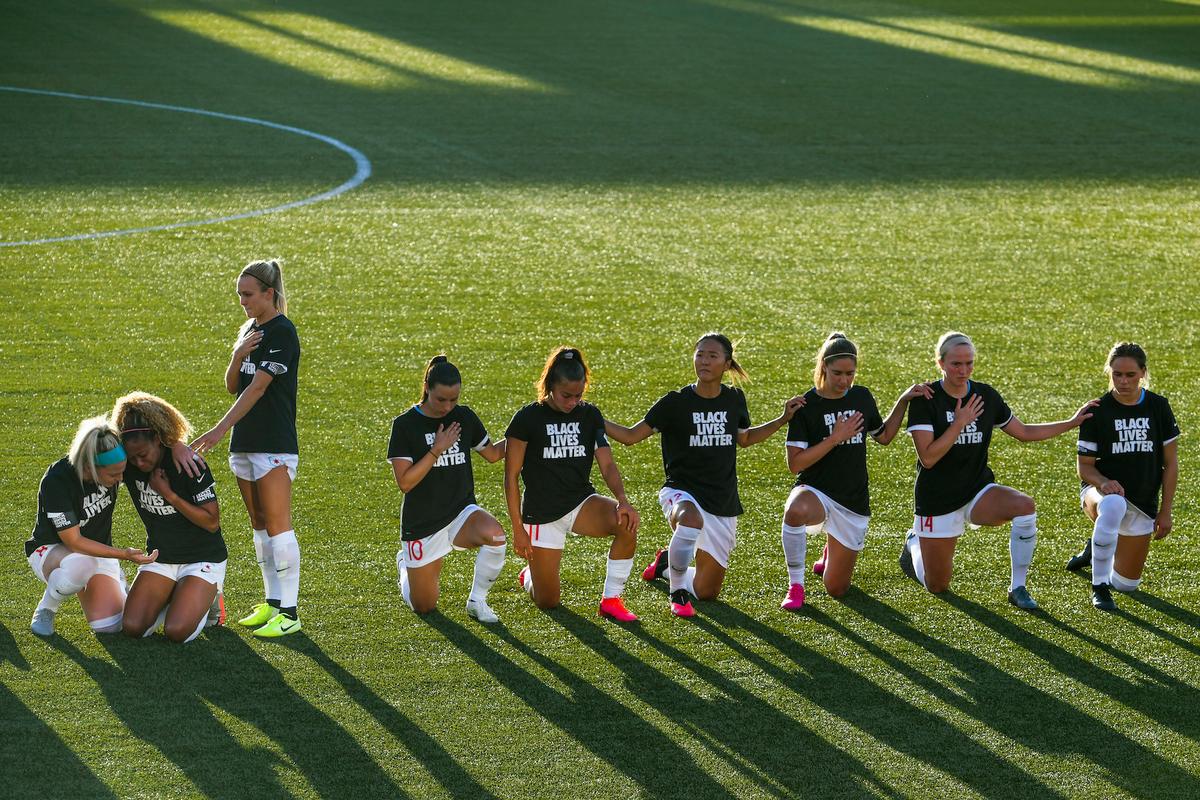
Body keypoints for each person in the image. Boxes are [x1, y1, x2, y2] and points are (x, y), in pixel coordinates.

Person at [605, 333, 802, 618]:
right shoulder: (675, 402)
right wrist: (594, 418)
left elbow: (744, 439)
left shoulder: (734, 399)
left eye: (712, 356)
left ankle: (665, 564)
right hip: (681, 492)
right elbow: (630, 436)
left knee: (708, 592)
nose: (705, 361)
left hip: (722, 501)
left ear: (726, 364)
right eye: (700, 355)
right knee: (690, 520)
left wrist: (782, 419)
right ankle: (677, 594)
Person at [900, 331, 1095, 609]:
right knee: (938, 586)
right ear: (940, 363)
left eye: (969, 363)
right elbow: (928, 458)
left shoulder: (985, 395)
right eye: (956, 364)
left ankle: (1018, 588)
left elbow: (1023, 432)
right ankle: (914, 542)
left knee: (1024, 506)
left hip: (977, 490)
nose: (964, 370)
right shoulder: (926, 398)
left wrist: (1072, 422)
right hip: (937, 498)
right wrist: (959, 423)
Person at [779, 333, 932, 609]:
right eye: (837, 373)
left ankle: (831, 549)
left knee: (836, 588)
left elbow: (883, 436)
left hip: (852, 499)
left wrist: (904, 400)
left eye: (850, 373)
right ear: (823, 366)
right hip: (815, 491)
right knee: (795, 510)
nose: (844, 380)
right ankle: (796, 585)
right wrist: (835, 438)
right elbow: (795, 464)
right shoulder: (806, 406)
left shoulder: (861, 397)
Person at [192, 259, 302, 638]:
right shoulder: (250, 330)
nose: (242, 301)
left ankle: (290, 611)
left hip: (273, 442)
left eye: (248, 294)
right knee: (258, 524)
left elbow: (258, 387)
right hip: (246, 444)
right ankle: (272, 603)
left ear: (269, 293)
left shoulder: (282, 333)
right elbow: (233, 384)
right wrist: (237, 353)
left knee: (278, 524)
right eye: (239, 294)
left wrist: (220, 428)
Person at [504, 347, 641, 622]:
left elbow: (607, 464)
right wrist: (518, 529)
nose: (573, 402)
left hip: (580, 502)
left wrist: (623, 500)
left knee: (625, 522)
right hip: (542, 513)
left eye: (579, 395)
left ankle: (611, 599)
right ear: (550, 386)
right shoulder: (527, 418)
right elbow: (511, 477)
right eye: (567, 395)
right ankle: (531, 574)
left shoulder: (588, 415)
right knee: (548, 602)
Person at [388, 356, 508, 623]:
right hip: (423, 523)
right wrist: (437, 449)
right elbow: (405, 482)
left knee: (497, 536)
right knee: (424, 606)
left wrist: (524, 431)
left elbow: (492, 454)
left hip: (461, 512)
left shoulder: (463, 416)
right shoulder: (405, 425)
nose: (448, 406)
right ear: (427, 387)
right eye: (441, 399)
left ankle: (477, 601)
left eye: (453, 399)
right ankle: (404, 567)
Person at [1065, 343, 1179, 610]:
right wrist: (1104, 483)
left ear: (1143, 373)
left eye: (1130, 374)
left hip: (1141, 501)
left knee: (1127, 584)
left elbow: (1171, 464)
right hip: (1100, 493)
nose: (1123, 381)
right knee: (1114, 504)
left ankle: (1095, 550)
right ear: (1109, 372)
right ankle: (1099, 587)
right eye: (1117, 374)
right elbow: (1085, 468)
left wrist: (1165, 511)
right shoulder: (1097, 410)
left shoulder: (1158, 407)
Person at [25, 416, 157, 636]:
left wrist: (180, 448)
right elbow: (73, 541)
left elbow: (150, 423)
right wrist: (122, 554)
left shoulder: (113, 462)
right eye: (114, 474)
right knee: (81, 565)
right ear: (89, 467)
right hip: (51, 551)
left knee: (111, 626)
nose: (120, 479)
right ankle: (47, 608)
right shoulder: (58, 480)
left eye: (122, 471)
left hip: (98, 553)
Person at [113, 392, 228, 643]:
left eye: (143, 454)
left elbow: (211, 522)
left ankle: (210, 598)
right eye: (132, 457)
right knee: (133, 627)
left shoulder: (187, 463)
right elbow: (98, 443)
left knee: (176, 632)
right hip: (161, 556)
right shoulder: (128, 463)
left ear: (157, 439)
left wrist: (168, 494)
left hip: (202, 557)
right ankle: (177, 593)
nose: (139, 462)